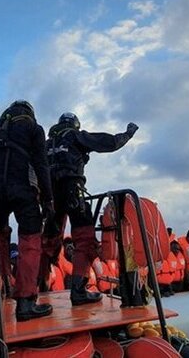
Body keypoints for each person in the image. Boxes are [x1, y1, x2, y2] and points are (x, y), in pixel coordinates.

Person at [43, 112, 138, 306]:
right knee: (85, 240)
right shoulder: (75, 135)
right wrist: (127, 134)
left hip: (50, 197)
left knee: (49, 241)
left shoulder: (46, 145)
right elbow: (108, 143)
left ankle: (38, 287)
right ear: (74, 125)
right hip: (72, 191)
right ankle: (79, 290)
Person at [0, 100, 54, 321]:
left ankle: (3, 290)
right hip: (22, 189)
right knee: (30, 243)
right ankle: (26, 303)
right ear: (30, 113)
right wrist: (48, 199)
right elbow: (41, 164)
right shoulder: (34, 129)